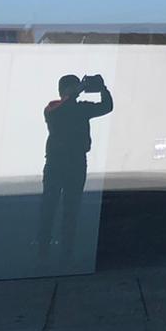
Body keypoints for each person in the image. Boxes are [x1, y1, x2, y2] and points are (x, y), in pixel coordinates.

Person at [38, 73, 114, 261]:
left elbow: (107, 107)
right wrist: (74, 94)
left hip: (75, 162)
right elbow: (59, 111)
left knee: (71, 208)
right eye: (74, 86)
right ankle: (43, 248)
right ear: (64, 90)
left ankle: (66, 250)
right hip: (57, 162)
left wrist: (102, 89)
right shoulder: (53, 107)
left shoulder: (80, 108)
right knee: (49, 206)